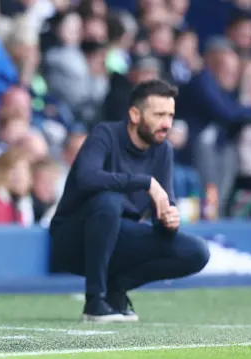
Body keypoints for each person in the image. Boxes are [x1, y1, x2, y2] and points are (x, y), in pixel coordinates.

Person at [48, 79, 210, 323]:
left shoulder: (163, 150)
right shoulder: (105, 134)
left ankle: (116, 288)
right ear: (134, 114)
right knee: (109, 201)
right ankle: (95, 299)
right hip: (73, 240)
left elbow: (164, 204)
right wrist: (144, 182)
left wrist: (169, 219)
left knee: (196, 252)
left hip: (121, 237)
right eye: (158, 115)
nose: (167, 123)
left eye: (170, 115)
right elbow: (86, 178)